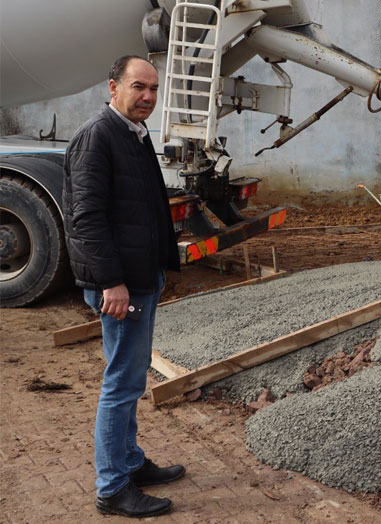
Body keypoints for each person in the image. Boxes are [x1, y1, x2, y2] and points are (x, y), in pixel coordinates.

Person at [63, 55, 184, 518]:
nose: (148, 97)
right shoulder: (99, 136)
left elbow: (142, 207)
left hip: (139, 278)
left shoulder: (133, 132)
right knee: (121, 383)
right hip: (121, 286)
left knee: (131, 380)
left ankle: (130, 462)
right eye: (138, 87)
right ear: (113, 86)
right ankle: (113, 487)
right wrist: (112, 282)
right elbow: (87, 218)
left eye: (153, 89)